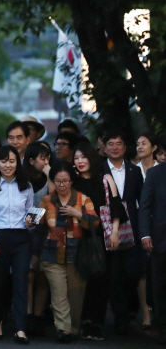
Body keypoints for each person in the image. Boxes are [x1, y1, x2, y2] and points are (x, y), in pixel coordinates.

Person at [37, 161, 99, 343]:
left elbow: (95, 222)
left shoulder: (82, 199)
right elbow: (36, 221)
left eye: (65, 181)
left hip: (77, 255)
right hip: (51, 254)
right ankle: (63, 330)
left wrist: (77, 214)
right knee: (58, 293)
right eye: (58, 181)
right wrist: (30, 221)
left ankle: (72, 329)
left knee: (75, 295)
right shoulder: (46, 201)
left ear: (72, 181)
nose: (62, 185)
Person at [72, 141, 125, 340]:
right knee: (82, 280)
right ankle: (84, 321)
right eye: (76, 158)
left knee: (102, 280)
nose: (80, 161)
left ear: (91, 158)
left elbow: (116, 206)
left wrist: (115, 232)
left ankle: (97, 323)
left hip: (103, 236)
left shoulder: (105, 179)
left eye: (83, 157)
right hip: (79, 236)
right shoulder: (73, 182)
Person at [0, 145, 34, 344]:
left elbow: (31, 213)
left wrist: (31, 223)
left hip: (21, 239)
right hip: (0, 239)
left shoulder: (26, 186)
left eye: (12, 161)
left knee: (21, 283)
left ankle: (20, 328)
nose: (8, 165)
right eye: (4, 161)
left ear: (17, 162)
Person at [102, 129, 144, 334]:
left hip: (132, 229)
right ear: (104, 147)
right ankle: (120, 318)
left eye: (119, 143)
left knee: (132, 272)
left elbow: (142, 202)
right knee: (114, 275)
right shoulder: (99, 170)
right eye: (111, 143)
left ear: (125, 147)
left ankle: (130, 310)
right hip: (107, 229)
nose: (115, 147)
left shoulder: (135, 171)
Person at [22, 142, 51, 336]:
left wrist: (50, 174)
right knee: (28, 275)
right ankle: (27, 314)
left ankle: (38, 317)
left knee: (42, 275)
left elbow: (57, 196)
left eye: (48, 158)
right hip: (25, 233)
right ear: (31, 160)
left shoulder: (51, 179)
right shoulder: (22, 179)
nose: (46, 162)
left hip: (45, 233)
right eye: (42, 158)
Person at [140, 160, 166, 344]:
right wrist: (145, 234)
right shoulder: (155, 174)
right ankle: (163, 327)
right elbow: (145, 206)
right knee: (161, 286)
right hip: (160, 238)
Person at [134, 132, 158, 329]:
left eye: (144, 143)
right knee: (142, 270)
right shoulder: (133, 171)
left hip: (160, 225)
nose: (140, 147)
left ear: (155, 147)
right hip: (139, 224)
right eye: (138, 144)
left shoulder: (161, 170)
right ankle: (146, 313)